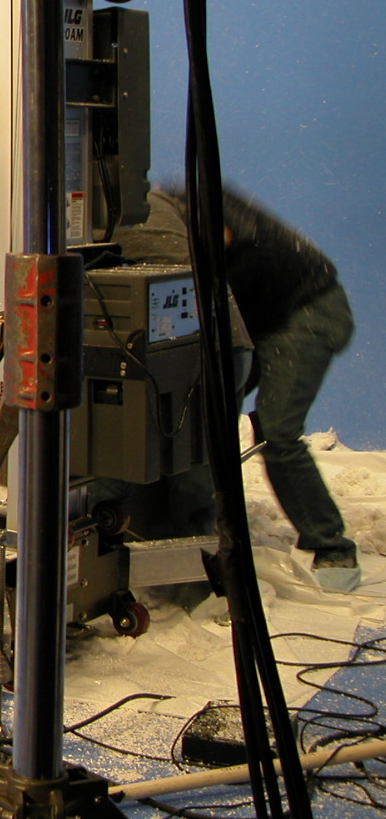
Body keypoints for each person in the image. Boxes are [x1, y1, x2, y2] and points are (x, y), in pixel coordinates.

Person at [116, 186, 359, 592]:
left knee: (277, 432)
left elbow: (249, 263)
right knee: (196, 421)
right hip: (253, 315)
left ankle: (331, 546)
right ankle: (172, 535)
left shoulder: (206, 214)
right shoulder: (169, 213)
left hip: (306, 310)